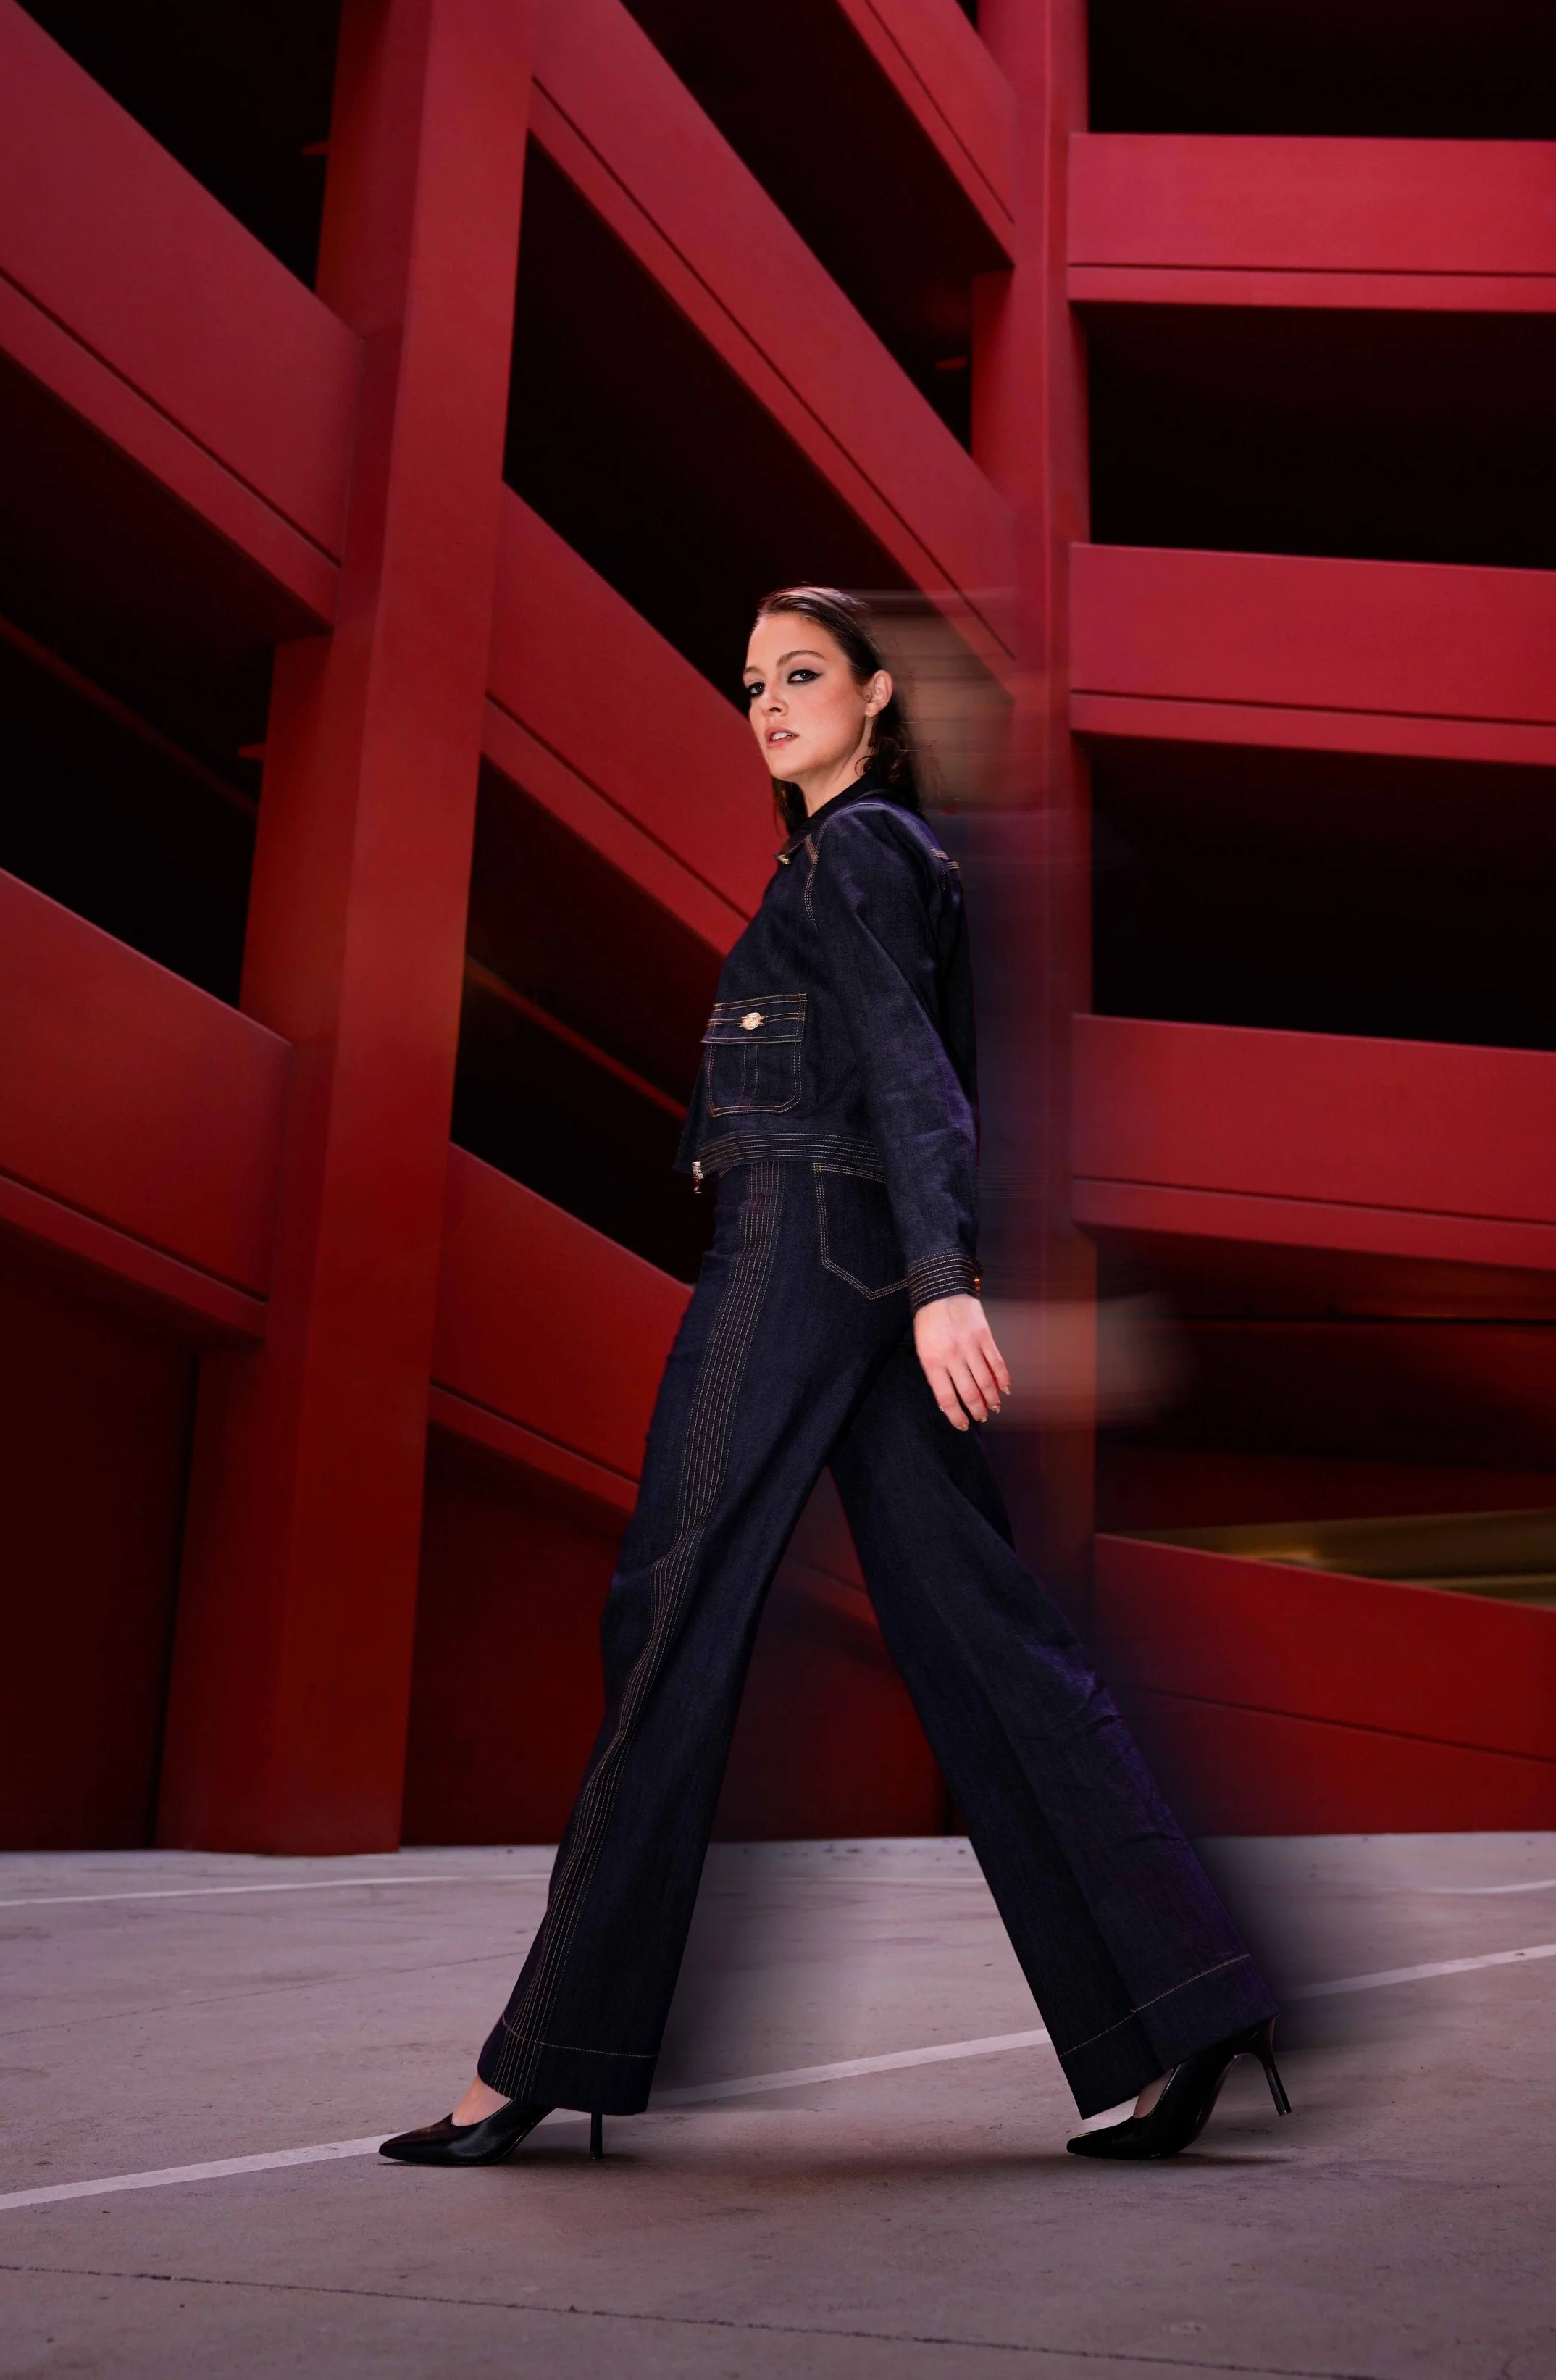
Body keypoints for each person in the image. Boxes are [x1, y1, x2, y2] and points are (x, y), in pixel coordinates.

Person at [381, 587, 1288, 2169]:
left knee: (666, 1608)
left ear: (874, 697)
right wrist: (918, 1277)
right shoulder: (842, 860)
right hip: (855, 1260)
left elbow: (912, 1074)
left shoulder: (862, 851)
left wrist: (944, 1287)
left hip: (804, 1251)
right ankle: (1186, 2001)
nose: (768, 702)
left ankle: (538, 2057)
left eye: (801, 675)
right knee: (986, 1632)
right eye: (750, 683)